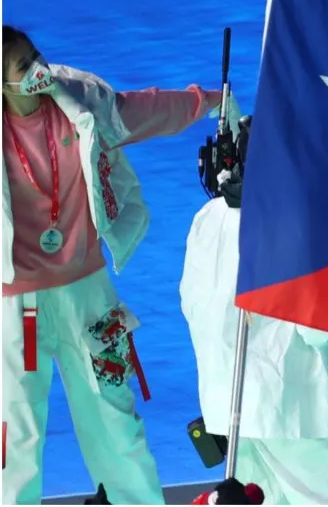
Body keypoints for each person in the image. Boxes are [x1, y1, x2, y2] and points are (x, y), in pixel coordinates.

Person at [2, 25, 239, 505]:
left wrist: (210, 101)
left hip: (87, 294)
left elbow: (143, 111)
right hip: (16, 307)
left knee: (115, 424)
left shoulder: (80, 100)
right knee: (14, 436)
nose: (39, 70)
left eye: (37, 56)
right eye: (24, 67)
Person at [179, 117, 328, 505]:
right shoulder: (300, 223)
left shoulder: (207, 218)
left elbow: (192, 303)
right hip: (302, 412)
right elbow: (320, 330)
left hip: (231, 410)